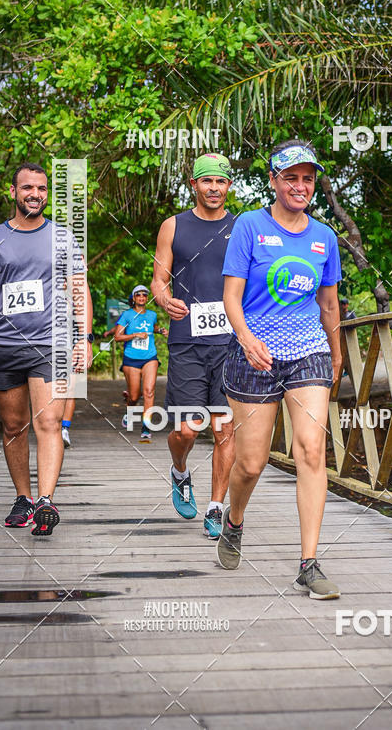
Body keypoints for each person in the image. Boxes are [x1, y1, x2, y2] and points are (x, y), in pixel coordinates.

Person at [217, 140, 343, 599]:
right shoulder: (250, 226)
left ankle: (309, 563)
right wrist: (248, 341)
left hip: (309, 350)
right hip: (256, 353)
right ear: (273, 180)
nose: (300, 186)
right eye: (291, 177)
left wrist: (336, 349)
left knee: (311, 449)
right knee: (250, 463)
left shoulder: (324, 237)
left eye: (308, 178)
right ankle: (234, 520)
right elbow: (232, 296)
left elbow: (328, 304)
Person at [0, 162, 93, 536]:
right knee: (13, 426)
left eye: (42, 189)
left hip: (51, 342)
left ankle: (46, 500)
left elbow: (79, 288)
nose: (35, 195)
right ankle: (24, 498)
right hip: (5, 344)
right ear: (13, 192)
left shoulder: (63, 237)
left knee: (48, 423)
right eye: (27, 188)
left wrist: (84, 337)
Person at [151, 153, 236, 539]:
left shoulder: (243, 227)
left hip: (232, 344)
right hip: (187, 341)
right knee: (186, 429)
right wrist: (164, 300)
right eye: (207, 182)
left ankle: (217, 507)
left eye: (220, 182)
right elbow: (158, 280)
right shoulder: (174, 226)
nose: (214, 188)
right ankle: (180, 472)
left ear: (229, 187)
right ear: (194, 185)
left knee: (224, 429)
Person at [115, 285, 168, 442]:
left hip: (149, 357)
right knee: (134, 396)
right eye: (138, 295)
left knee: (149, 391)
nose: (142, 297)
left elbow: (154, 327)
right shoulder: (127, 315)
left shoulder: (152, 315)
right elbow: (118, 336)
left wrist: (160, 331)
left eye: (144, 295)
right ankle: (129, 409)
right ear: (133, 298)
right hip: (131, 358)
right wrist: (135, 335)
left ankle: (146, 426)